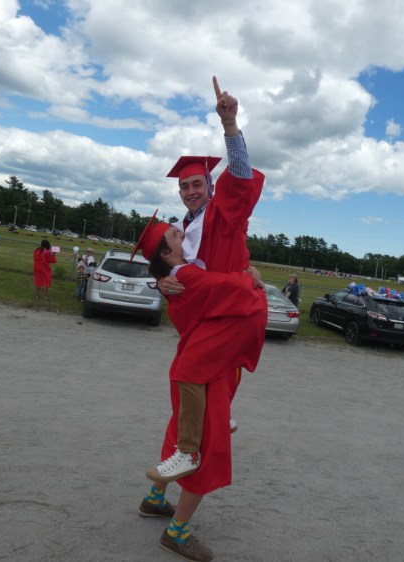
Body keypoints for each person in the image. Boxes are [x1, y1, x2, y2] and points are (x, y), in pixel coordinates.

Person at [135, 216, 266, 562]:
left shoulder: (184, 267)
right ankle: (176, 533)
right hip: (208, 365)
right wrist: (249, 278)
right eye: (176, 235)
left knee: (180, 427)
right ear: (166, 250)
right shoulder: (186, 273)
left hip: (199, 358)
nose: (183, 235)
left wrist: (162, 278)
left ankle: (155, 499)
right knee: (206, 447)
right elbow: (226, 287)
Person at [157, 76, 266, 432]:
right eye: (184, 186)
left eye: (196, 184)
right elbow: (171, 266)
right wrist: (161, 282)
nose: (190, 191)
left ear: (211, 186)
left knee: (197, 371)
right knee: (190, 375)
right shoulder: (181, 230)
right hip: (204, 313)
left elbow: (241, 175)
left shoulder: (222, 213)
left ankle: (208, 429)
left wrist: (229, 124)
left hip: (230, 311)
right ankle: (211, 424)